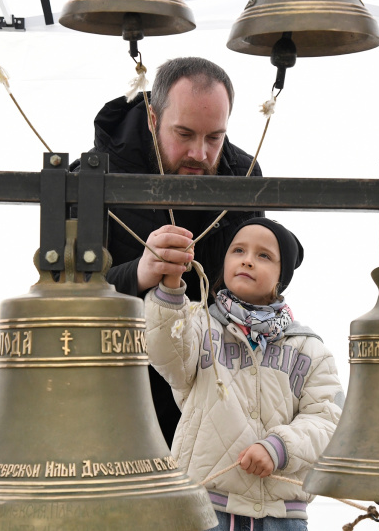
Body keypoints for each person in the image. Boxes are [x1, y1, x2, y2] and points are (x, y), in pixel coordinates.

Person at [71, 57, 264, 447]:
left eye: (214, 138)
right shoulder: (92, 179)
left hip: (210, 404)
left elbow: (259, 281)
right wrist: (140, 273)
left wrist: (280, 255)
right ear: (153, 118)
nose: (200, 153)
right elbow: (65, 293)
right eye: (185, 134)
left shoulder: (243, 175)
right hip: (117, 402)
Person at [144, 217, 343, 530]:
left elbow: (328, 421)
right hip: (205, 506)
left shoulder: (308, 348)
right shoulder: (199, 324)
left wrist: (278, 447)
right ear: (224, 263)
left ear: (281, 276)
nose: (248, 260)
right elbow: (166, 355)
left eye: (264, 255)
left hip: (281, 516)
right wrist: (170, 288)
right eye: (238, 251)